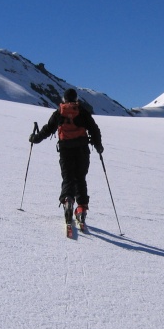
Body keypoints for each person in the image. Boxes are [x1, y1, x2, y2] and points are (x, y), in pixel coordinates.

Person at [29, 89, 103, 226]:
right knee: (80, 178)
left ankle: (68, 201)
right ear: (75, 99)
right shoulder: (82, 111)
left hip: (65, 149)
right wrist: (98, 146)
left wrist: (35, 138)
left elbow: (47, 129)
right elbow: (94, 129)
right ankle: (81, 209)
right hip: (82, 150)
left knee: (68, 177)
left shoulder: (59, 113)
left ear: (63, 99)